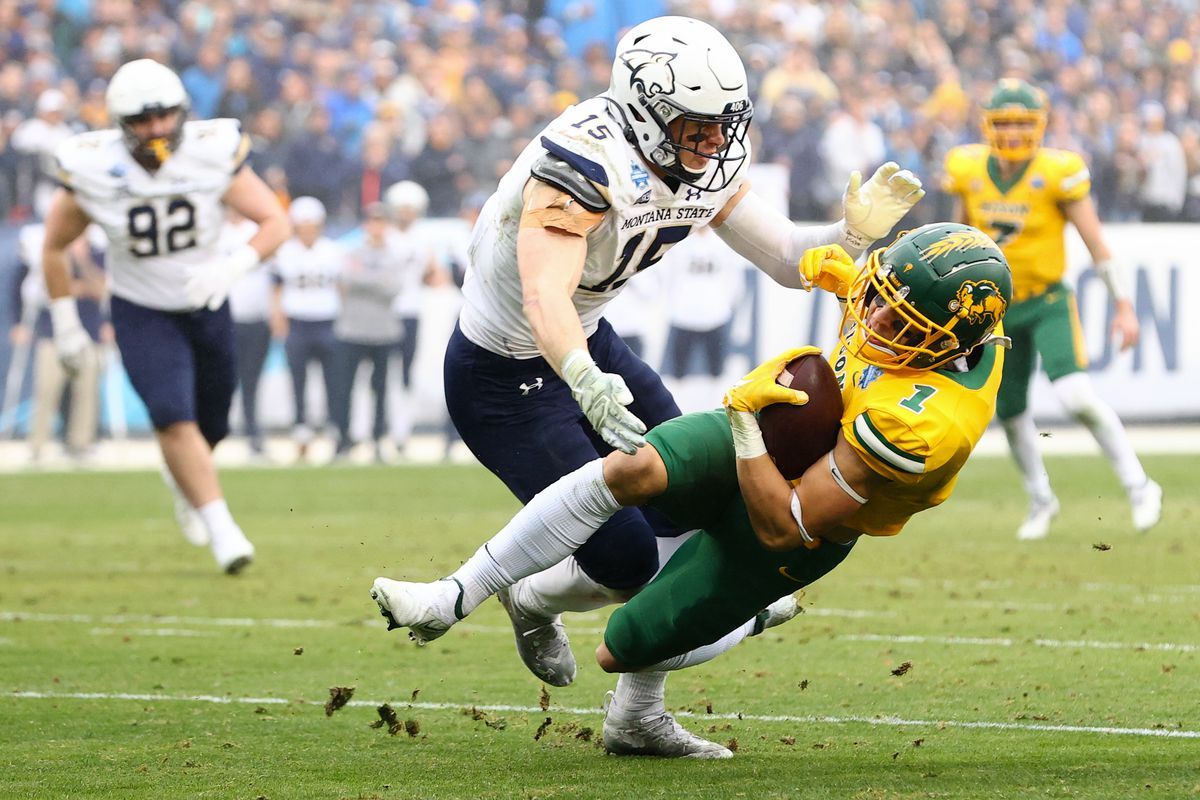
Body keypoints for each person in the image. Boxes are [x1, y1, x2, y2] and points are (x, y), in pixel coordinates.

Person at [372, 223, 1013, 758]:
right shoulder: (917, 313)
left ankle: (662, 689)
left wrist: (743, 426)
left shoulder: (923, 423)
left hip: (807, 514)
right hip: (782, 426)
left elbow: (780, 526)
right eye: (880, 296)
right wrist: (847, 260)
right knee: (634, 468)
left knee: (621, 645)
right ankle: (455, 595)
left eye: (896, 318)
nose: (872, 317)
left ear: (950, 342)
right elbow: (869, 292)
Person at [436, 15, 925, 688]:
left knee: (696, 495)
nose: (714, 141)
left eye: (723, 123)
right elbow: (543, 298)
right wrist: (581, 376)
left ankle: (627, 700)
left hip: (591, 343)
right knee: (628, 559)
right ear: (643, 112)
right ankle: (530, 596)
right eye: (696, 125)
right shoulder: (580, 162)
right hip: (503, 374)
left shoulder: (698, 157)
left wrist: (850, 232)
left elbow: (787, 257)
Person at [43, 59, 290, 573]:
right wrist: (66, 323)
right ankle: (224, 532)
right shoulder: (92, 166)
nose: (157, 129)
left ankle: (186, 483)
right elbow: (55, 246)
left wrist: (230, 267)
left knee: (212, 425)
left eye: (165, 116)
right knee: (171, 413)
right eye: (143, 120)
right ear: (118, 122)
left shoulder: (211, 151)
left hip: (206, 302)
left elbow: (273, 221)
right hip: (142, 308)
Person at [943, 79, 1162, 541]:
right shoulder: (968, 168)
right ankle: (1041, 498)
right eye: (1005, 123)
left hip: (1046, 302)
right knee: (1011, 411)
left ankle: (1140, 485)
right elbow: (957, 240)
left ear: (1040, 124)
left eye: (1024, 122)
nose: (1015, 133)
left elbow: (1096, 242)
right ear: (988, 125)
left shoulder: (1058, 172)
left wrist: (1124, 305)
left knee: (1076, 396)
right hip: (993, 310)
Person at [269, 196, 344, 463]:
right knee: (298, 383)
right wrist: (277, 318)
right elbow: (277, 288)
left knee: (333, 383)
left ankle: (335, 433)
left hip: (327, 321)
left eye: (312, 224)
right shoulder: (286, 252)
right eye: (304, 224)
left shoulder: (332, 250)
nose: (308, 229)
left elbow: (340, 287)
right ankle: (301, 435)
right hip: (297, 323)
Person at [333, 201, 404, 461]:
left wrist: (365, 280)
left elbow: (393, 287)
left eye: (381, 221)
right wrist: (375, 280)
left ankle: (377, 439)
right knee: (344, 388)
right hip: (352, 330)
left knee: (381, 390)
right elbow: (347, 280)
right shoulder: (352, 253)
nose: (376, 226)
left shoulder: (394, 255)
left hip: (384, 331)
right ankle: (343, 440)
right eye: (372, 221)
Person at [382, 180, 441, 453]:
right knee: (381, 373)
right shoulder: (384, 235)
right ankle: (379, 428)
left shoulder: (424, 239)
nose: (406, 213)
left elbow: (434, 275)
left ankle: (401, 430)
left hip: (410, 311)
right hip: (383, 312)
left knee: (406, 372)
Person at [221, 208, 271, 458]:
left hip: (255, 319)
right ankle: (215, 435)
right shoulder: (217, 233)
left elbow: (276, 276)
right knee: (221, 382)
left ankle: (253, 436)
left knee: (251, 382)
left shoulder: (257, 231)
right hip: (224, 320)